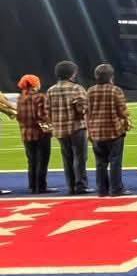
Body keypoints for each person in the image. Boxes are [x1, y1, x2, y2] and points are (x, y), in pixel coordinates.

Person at [86, 63, 132, 197]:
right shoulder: (115, 90)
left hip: (96, 132)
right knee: (115, 161)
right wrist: (127, 117)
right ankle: (116, 189)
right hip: (113, 131)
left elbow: (86, 111)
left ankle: (102, 189)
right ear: (111, 76)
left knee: (100, 163)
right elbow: (122, 111)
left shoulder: (90, 91)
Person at [47, 60, 89, 195]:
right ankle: (81, 185)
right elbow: (83, 109)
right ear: (72, 74)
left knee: (67, 158)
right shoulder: (77, 88)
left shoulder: (50, 90)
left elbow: (47, 111)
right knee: (80, 158)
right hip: (76, 127)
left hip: (59, 129)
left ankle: (71, 186)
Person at [16, 75, 55, 194]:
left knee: (32, 160)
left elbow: (19, 117)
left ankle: (32, 185)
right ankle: (41, 187)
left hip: (26, 133)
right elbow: (42, 116)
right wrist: (50, 129)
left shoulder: (20, 98)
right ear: (35, 84)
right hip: (40, 134)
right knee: (42, 161)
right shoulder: (40, 97)